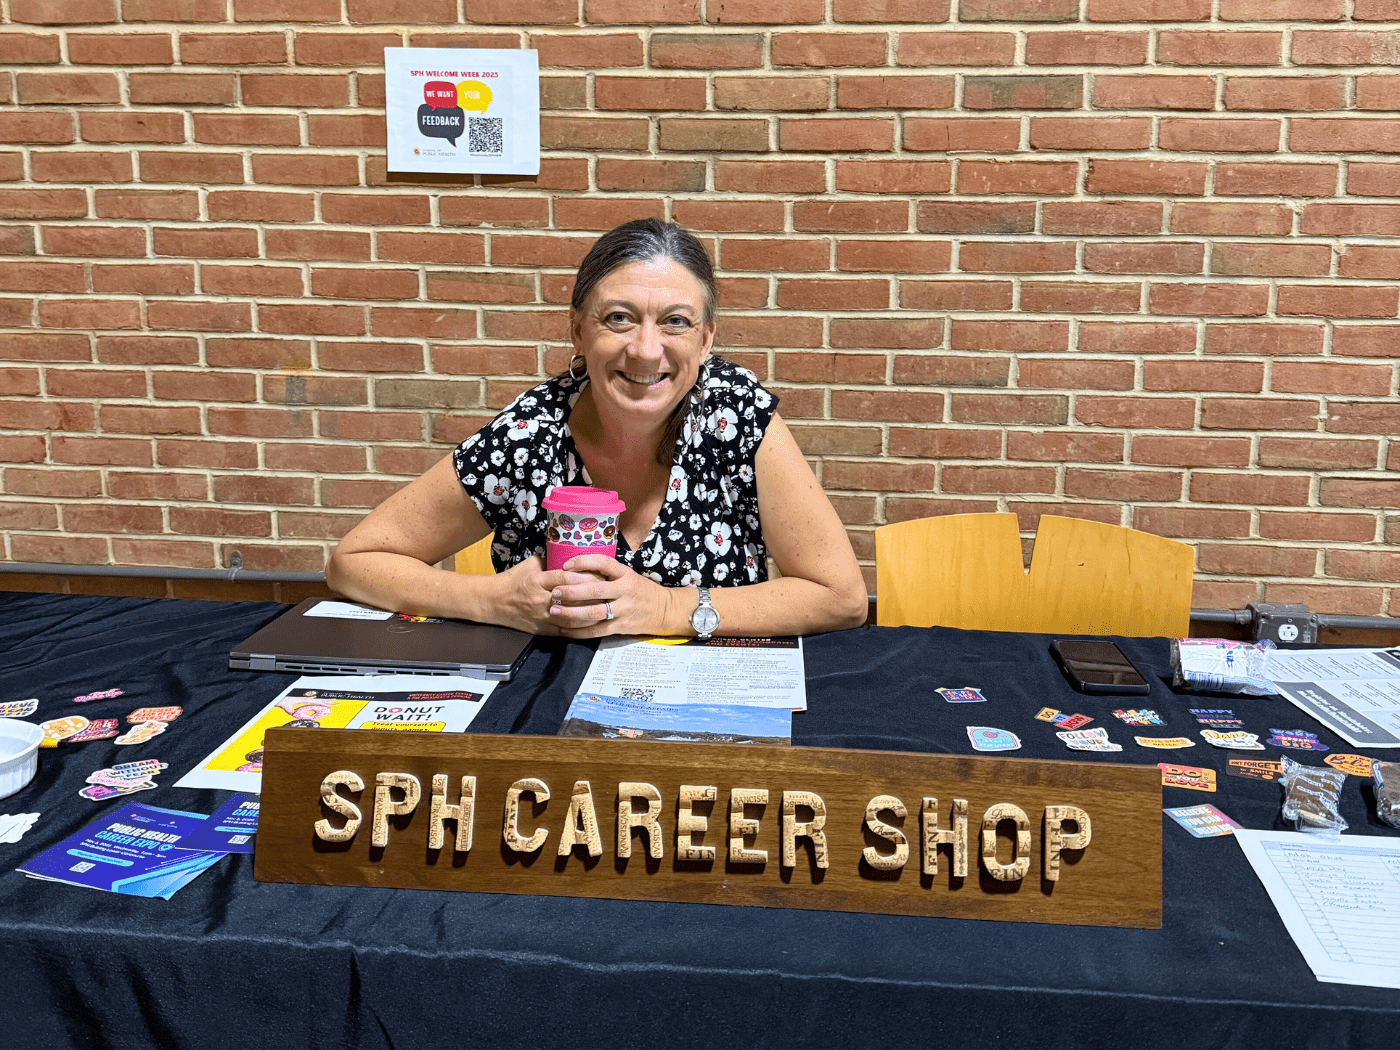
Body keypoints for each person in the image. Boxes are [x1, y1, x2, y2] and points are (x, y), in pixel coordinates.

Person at [327, 218, 867, 639]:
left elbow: (840, 597)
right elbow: (354, 563)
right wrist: (488, 600)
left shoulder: (738, 417)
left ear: (706, 342)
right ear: (578, 331)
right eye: (619, 318)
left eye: (676, 321)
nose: (646, 350)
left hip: (712, 711)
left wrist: (665, 608)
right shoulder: (529, 435)